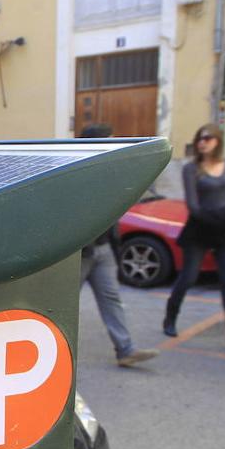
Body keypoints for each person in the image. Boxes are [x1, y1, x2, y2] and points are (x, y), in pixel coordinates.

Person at [161, 124, 225, 353]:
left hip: (224, 232)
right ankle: (170, 318)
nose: (202, 142)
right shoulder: (191, 169)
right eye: (199, 139)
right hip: (200, 230)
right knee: (189, 277)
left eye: (208, 138)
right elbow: (193, 207)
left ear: (217, 141)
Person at [77, 123, 158, 367]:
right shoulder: (77, 174)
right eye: (109, 141)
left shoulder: (110, 171)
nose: (114, 145)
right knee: (61, 306)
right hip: (79, 254)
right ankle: (44, 354)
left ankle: (125, 350)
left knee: (111, 298)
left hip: (104, 249)